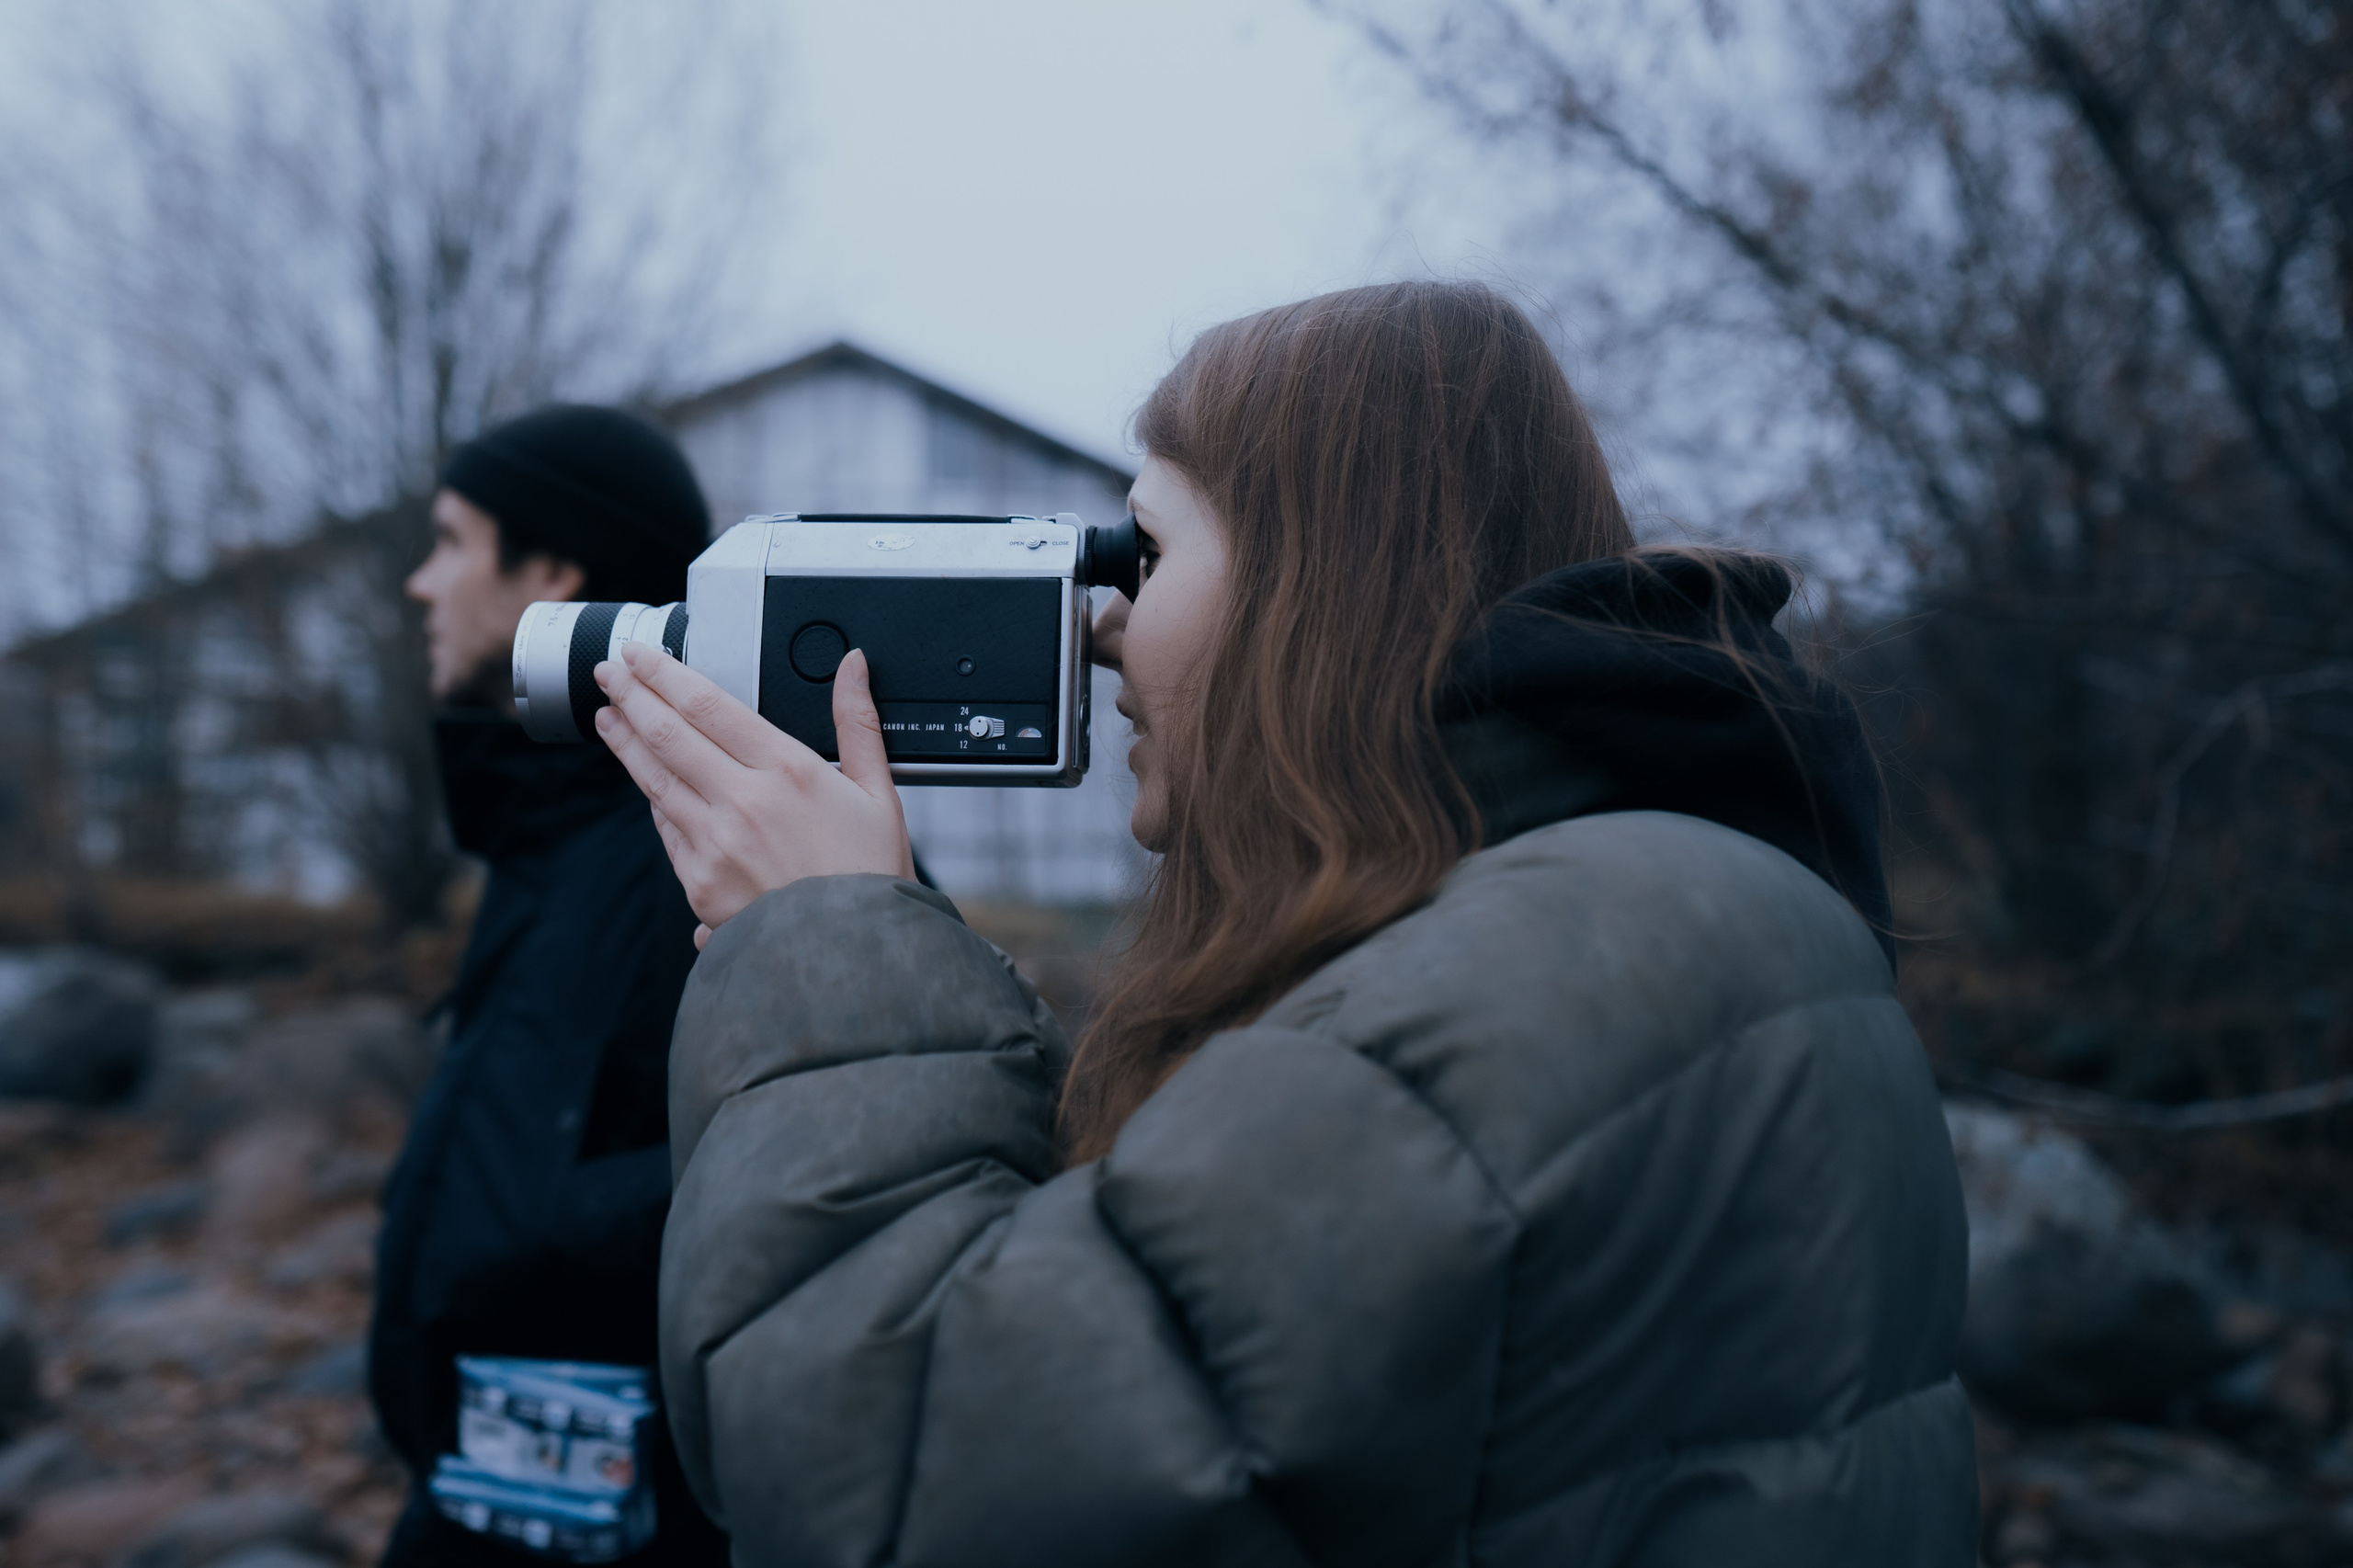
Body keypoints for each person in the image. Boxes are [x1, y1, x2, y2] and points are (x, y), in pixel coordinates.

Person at [593, 283, 1978, 1564]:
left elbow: (902, 1473)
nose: (1102, 626)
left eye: (1148, 547)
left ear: (1327, 575)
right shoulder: (1652, 904)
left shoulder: (1529, 974)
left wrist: (831, 953)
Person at [372, 404, 729, 1566]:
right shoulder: (560, 829)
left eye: (453, 542)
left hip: (633, 1525)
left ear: (554, 570)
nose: (424, 584)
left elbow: (836, 1148)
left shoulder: (714, 841)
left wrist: (534, 1226)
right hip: (483, 1497)